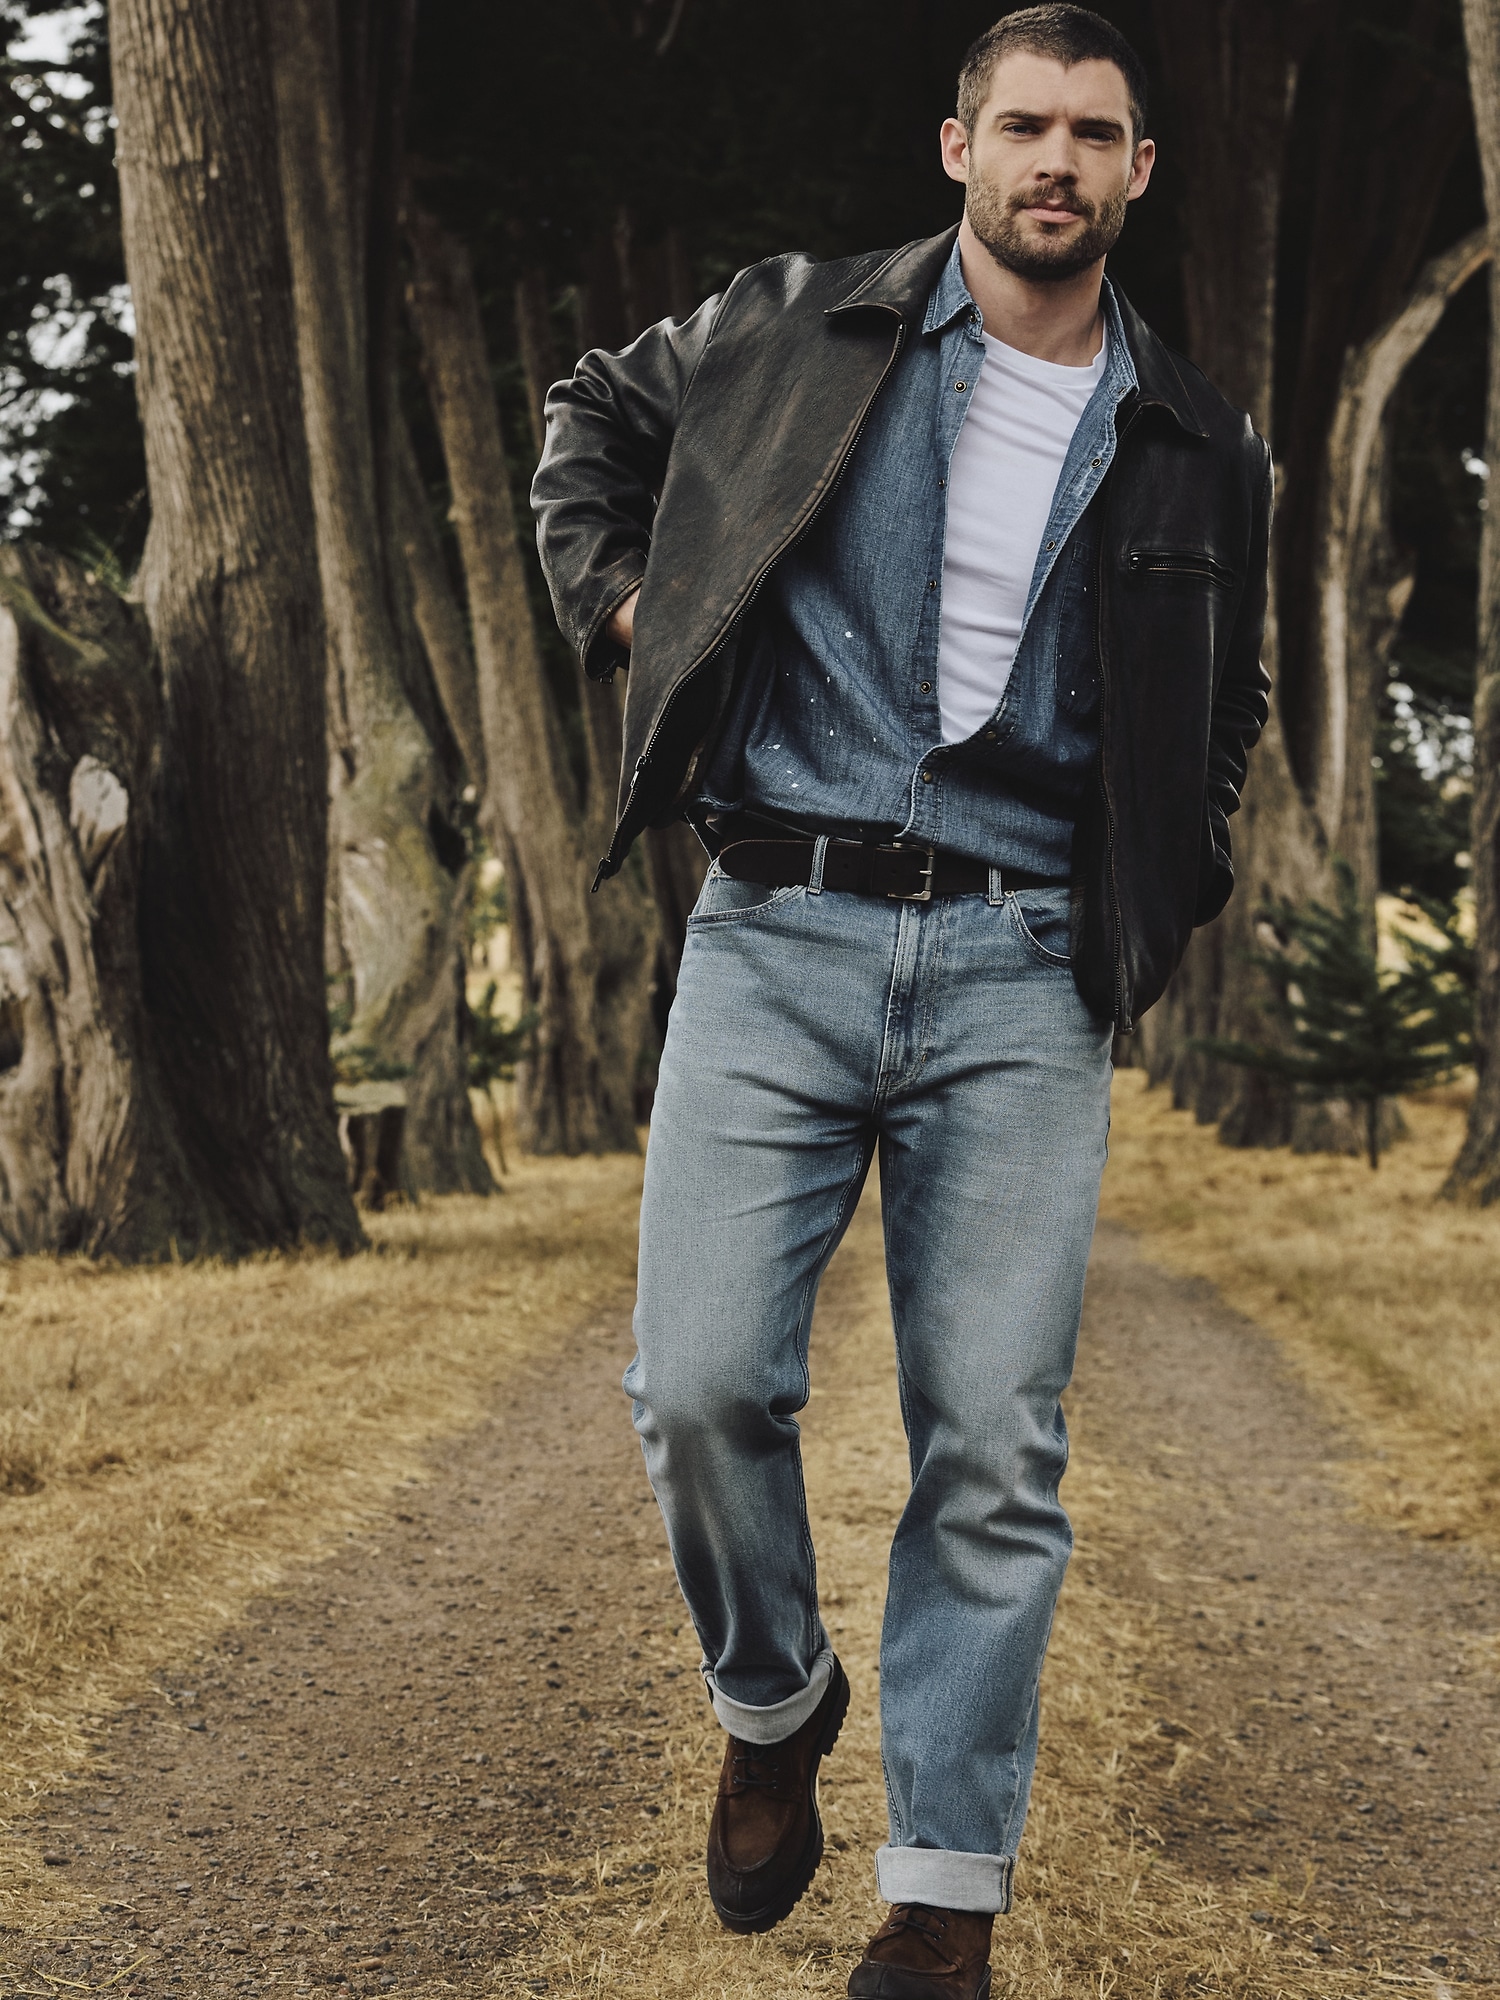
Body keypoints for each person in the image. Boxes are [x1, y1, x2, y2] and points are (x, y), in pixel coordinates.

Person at [532, 7, 1271, 1994]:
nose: (1056, 159)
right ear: (959, 147)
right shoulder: (795, 323)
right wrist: (632, 612)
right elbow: (591, 417)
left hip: (1025, 968)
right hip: (777, 924)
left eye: (1094, 133)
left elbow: (1227, 707)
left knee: (992, 1450)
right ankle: (774, 1700)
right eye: (1023, 124)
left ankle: (945, 1898)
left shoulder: (1199, 439)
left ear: (1137, 173)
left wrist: (1164, 884)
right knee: (699, 1385)